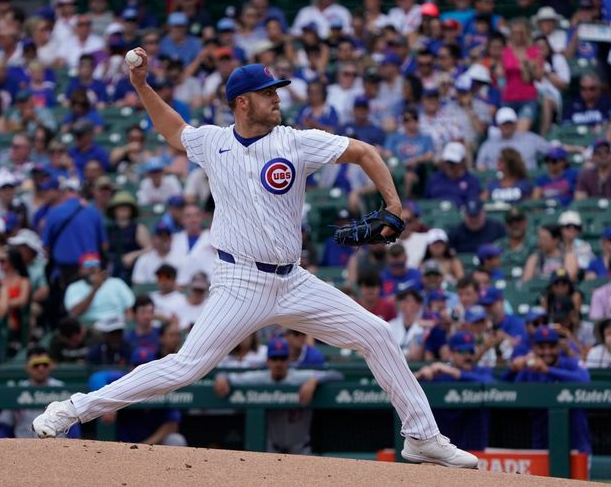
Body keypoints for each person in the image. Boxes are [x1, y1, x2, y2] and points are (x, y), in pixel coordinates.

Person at [33, 49, 479, 469]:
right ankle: (72, 409)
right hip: (240, 282)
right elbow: (172, 129)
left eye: (277, 91)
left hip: (293, 280)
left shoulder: (295, 142)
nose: (277, 98)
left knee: (378, 334)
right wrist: (141, 84)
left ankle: (421, 436)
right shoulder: (212, 143)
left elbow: (365, 152)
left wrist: (395, 207)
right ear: (242, 102)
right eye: (268, 93)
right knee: (186, 366)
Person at [515, 326, 591, 454]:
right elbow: (513, 388)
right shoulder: (530, 369)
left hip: (576, 446)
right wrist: (514, 368)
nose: (547, 352)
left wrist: (548, 370)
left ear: (558, 347)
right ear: (534, 348)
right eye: (542, 347)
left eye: (551, 347)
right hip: (541, 445)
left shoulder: (569, 363)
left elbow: (585, 379)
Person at [414, 331, 494, 451]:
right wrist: (419, 375)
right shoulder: (440, 375)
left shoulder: (480, 372)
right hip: (443, 443)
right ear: (451, 352)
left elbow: (491, 384)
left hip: (473, 443)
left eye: (471, 351)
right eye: (462, 352)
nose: (468, 356)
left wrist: (455, 372)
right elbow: (407, 392)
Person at [0, 347, 80, 438]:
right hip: (25, 448)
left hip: (58, 448)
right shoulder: (17, 391)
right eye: (36, 365)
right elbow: (5, 427)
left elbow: (73, 426)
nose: (41, 368)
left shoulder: (62, 390)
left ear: (51, 365)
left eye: (45, 364)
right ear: (27, 367)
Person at [64, 254, 134, 327]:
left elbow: (129, 309)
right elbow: (75, 312)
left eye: (95, 263)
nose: (92, 267)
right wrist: (95, 289)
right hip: (90, 326)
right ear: (80, 270)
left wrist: (127, 327)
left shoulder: (116, 283)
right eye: (87, 264)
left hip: (117, 325)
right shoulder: (74, 287)